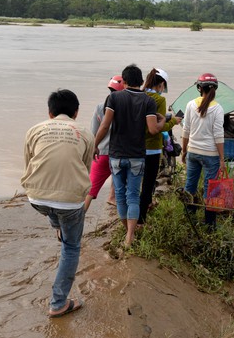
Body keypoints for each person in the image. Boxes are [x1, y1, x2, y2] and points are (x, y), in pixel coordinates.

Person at [21, 89, 94, 318]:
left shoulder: (34, 130)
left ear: (50, 113)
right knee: (71, 248)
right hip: (69, 203)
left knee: (52, 206)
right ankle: (58, 303)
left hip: (35, 198)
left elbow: (29, 163)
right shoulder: (84, 133)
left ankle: (57, 226)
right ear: (76, 112)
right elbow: (85, 170)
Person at [93, 64, 165, 247]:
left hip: (116, 155)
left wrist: (95, 145)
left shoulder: (114, 98)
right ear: (141, 82)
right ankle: (130, 236)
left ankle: (126, 229)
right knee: (133, 195)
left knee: (120, 195)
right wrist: (163, 122)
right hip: (136, 155)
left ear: (124, 82)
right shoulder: (148, 101)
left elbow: (105, 126)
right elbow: (152, 129)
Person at [181, 72, 225, 228]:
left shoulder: (190, 105)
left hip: (192, 152)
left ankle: (189, 219)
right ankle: (209, 224)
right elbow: (218, 135)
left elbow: (185, 130)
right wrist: (222, 158)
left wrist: (184, 150)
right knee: (210, 189)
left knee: (190, 185)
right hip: (210, 155)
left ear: (199, 88)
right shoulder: (218, 109)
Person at [139, 68, 181, 226]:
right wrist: (173, 122)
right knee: (149, 182)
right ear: (161, 84)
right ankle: (141, 219)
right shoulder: (159, 100)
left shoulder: (141, 95)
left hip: (137, 146)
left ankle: (143, 207)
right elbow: (160, 126)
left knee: (138, 183)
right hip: (152, 147)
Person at [84, 74, 124, 212]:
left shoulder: (100, 107)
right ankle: (112, 197)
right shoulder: (127, 109)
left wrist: (93, 148)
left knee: (90, 190)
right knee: (119, 179)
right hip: (120, 153)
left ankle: (77, 217)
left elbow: (93, 132)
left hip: (101, 153)